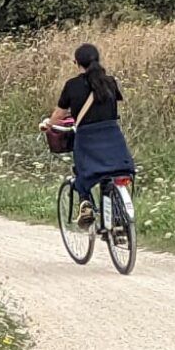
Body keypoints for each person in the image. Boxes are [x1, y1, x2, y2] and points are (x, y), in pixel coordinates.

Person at [42, 43, 133, 227]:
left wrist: (48, 124)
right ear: (98, 60)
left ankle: (86, 204)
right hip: (113, 137)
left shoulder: (72, 85)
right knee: (115, 173)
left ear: (76, 62)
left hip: (87, 139)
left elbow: (59, 115)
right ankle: (118, 220)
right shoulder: (110, 82)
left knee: (83, 174)